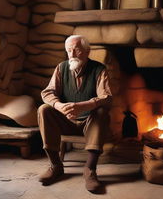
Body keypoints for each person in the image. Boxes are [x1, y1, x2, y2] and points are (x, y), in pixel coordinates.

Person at [37, 35, 112, 193]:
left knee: (102, 111)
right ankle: (56, 166)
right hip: (66, 121)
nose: (71, 54)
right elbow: (48, 92)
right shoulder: (61, 68)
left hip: (89, 123)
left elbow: (106, 97)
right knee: (44, 109)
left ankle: (90, 170)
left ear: (87, 51)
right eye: (68, 50)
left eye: (76, 50)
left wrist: (83, 106)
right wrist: (59, 106)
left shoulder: (99, 69)